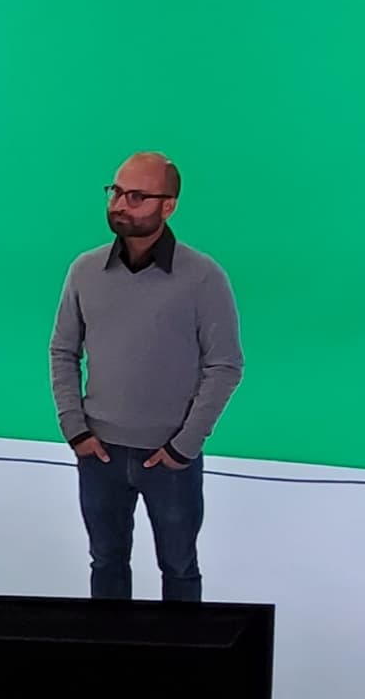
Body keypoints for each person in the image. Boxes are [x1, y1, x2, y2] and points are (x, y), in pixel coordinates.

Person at [51, 152, 244, 603]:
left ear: (168, 206)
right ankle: (111, 646)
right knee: (106, 562)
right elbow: (63, 351)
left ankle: (178, 650)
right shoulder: (85, 271)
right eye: (116, 192)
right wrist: (75, 429)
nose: (120, 204)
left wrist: (184, 446)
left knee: (179, 568)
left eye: (136, 196)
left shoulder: (203, 278)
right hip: (99, 454)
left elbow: (225, 365)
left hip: (169, 459)